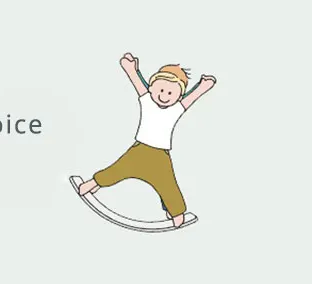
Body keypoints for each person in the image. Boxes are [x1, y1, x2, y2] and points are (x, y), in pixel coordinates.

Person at [76, 53, 216, 228]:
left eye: (170, 92)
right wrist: (130, 68)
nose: (164, 96)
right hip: (138, 151)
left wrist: (203, 87)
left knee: (167, 185)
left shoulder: (176, 108)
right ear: (152, 88)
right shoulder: (147, 100)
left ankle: (176, 212)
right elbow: (137, 82)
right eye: (161, 90)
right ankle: (94, 183)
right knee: (116, 170)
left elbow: (191, 98)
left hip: (160, 157)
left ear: (178, 95)